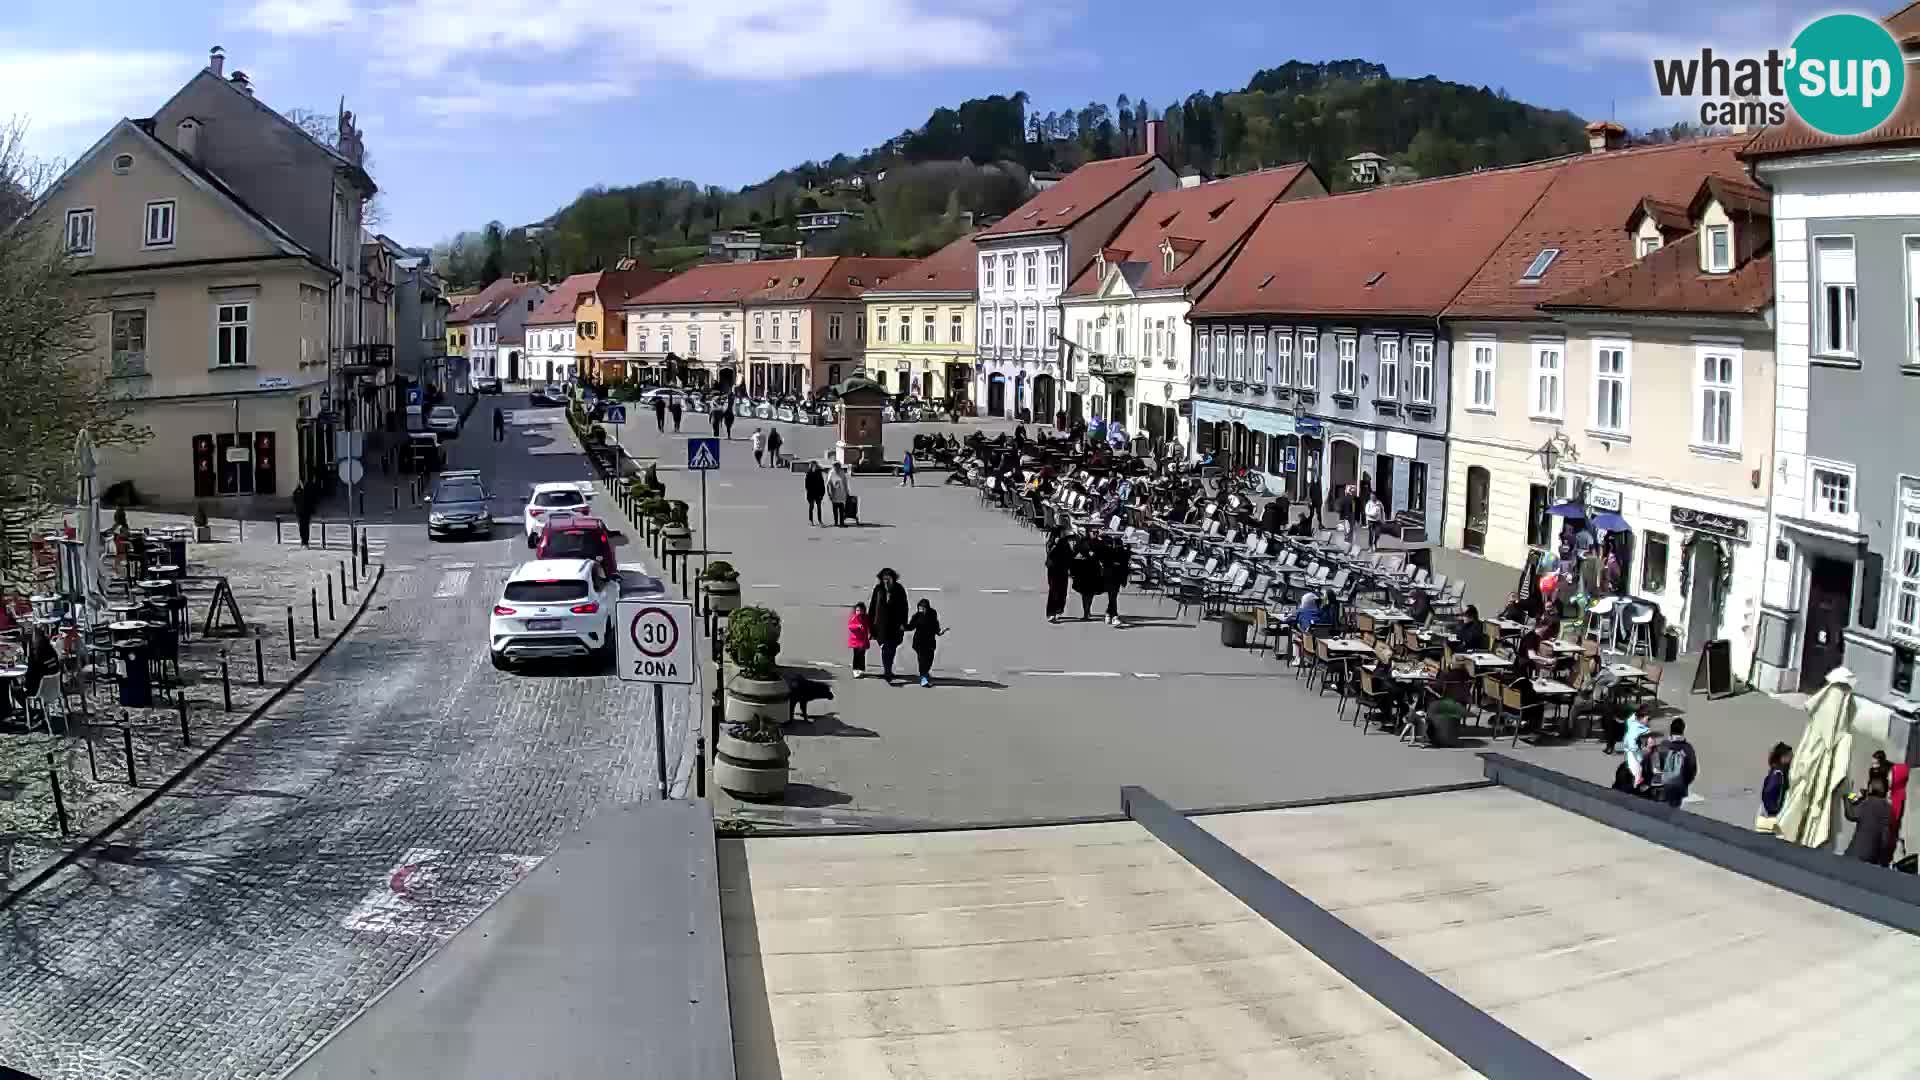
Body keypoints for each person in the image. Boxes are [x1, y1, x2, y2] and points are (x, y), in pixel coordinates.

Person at [866, 567, 910, 682]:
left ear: (893, 578)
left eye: (888, 578)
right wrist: (870, 626)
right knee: (886, 648)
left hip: (896, 624)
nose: (886, 581)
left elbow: (905, 607)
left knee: (892, 648)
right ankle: (887, 671)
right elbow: (872, 607)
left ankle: (888, 669)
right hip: (882, 624)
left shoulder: (899, 589)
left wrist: (904, 624)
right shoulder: (878, 589)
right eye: (884, 579)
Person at [1844, 774, 1896, 865]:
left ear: (1871, 788)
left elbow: (1851, 814)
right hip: (1874, 856)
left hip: (1857, 854)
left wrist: (1846, 795)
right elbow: (1858, 802)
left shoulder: (1868, 803)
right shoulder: (1888, 808)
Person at [1652, 717, 1698, 807]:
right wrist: (1684, 782)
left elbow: (1655, 766)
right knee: (1674, 812)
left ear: (1671, 730)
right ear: (1683, 730)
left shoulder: (1663, 745)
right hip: (1679, 787)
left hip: (1664, 786)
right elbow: (1692, 769)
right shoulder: (1687, 748)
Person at [906, 598, 948, 687]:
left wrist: (940, 632)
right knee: (922, 661)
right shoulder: (917, 616)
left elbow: (936, 626)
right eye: (920, 608)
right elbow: (911, 626)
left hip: (930, 643)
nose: (921, 610)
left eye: (923, 608)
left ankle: (925, 673)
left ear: (927, 607)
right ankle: (923, 679)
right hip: (919, 643)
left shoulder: (932, 614)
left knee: (929, 660)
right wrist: (903, 627)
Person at [1757, 742, 1792, 830]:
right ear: (1782, 758)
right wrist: (1775, 813)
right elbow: (1769, 794)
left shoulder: (1776, 773)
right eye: (1790, 757)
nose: (1792, 760)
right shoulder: (1778, 775)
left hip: (1769, 818)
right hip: (1771, 820)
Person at [1070, 536, 1105, 621]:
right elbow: (1073, 555)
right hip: (1083, 569)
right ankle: (1086, 612)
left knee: (1090, 593)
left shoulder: (1098, 542)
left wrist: (1095, 554)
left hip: (1093, 570)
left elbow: (1102, 555)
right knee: (1085, 593)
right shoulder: (1082, 541)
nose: (1094, 533)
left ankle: (1087, 611)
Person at [1044, 526, 1073, 623]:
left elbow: (1070, 555)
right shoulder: (1051, 543)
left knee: (1062, 591)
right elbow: (1049, 553)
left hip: (1063, 569)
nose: (1064, 534)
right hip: (1053, 569)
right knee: (1053, 590)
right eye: (1062, 532)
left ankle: (1059, 610)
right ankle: (1051, 612)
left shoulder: (1065, 542)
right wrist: (1055, 544)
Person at [1099, 533, 1129, 627]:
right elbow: (1104, 561)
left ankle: (1109, 613)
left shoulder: (1122, 553)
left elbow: (1125, 566)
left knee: (1113, 596)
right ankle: (1114, 616)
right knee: (1112, 596)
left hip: (1117, 577)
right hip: (1109, 577)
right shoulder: (1109, 552)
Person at [846, 601, 871, 679]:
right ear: (855, 611)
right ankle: (855, 669)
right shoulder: (854, 617)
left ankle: (861, 669)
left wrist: (870, 634)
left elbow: (869, 626)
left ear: (864, 610)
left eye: (861, 610)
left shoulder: (866, 618)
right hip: (855, 641)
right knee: (856, 656)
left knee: (862, 656)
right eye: (857, 610)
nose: (859, 612)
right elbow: (850, 626)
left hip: (863, 641)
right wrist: (858, 626)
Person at [827, 462, 851, 526]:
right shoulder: (831, 473)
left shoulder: (842, 472)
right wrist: (829, 494)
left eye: (839, 466)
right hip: (834, 494)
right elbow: (828, 484)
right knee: (835, 509)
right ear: (834, 466)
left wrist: (847, 492)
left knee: (842, 509)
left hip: (842, 493)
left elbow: (845, 482)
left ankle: (841, 522)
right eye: (836, 466)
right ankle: (836, 522)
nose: (838, 468)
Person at [292, 483, 314, 548]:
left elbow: (311, 501)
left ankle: (305, 542)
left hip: (306, 512)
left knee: (305, 527)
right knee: (302, 527)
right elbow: (294, 500)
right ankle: (303, 541)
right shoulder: (297, 491)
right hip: (300, 512)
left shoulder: (308, 490)